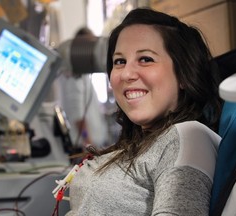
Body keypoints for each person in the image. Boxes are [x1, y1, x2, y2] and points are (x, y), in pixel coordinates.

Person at [64, 7, 222, 215]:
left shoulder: (187, 137)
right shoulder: (142, 141)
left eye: (146, 59)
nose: (126, 73)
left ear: (184, 74)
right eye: (119, 61)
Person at [57, 27, 109, 152]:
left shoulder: (83, 74)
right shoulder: (74, 76)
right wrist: (88, 142)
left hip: (91, 144)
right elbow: (77, 114)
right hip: (84, 146)